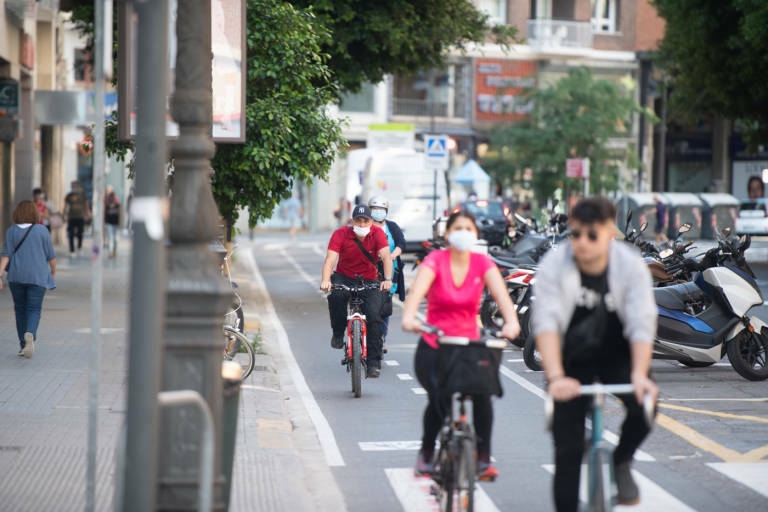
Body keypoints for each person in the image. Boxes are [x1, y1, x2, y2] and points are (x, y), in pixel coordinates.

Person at [532, 196, 659, 511]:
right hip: (571, 358)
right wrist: (556, 377)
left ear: (609, 233)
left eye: (592, 235)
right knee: (568, 448)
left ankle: (622, 460)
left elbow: (643, 322)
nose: (583, 243)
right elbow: (546, 323)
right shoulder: (554, 265)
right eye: (576, 234)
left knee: (646, 406)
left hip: (618, 352)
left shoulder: (629, 265)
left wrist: (640, 375)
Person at [402, 210, 521, 480]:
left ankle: (483, 458)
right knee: (439, 398)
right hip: (436, 344)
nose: (464, 232)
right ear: (447, 234)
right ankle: (427, 454)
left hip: (469, 344)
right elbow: (416, 294)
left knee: (483, 396)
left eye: (469, 228)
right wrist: (409, 317)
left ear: (476, 235)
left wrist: (511, 323)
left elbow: (502, 297)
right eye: (458, 228)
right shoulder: (435, 260)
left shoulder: (482, 263)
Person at [320, 204, 393, 378]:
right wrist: (325, 280)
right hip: (344, 277)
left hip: (369, 279)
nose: (361, 224)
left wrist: (388, 280)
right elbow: (330, 259)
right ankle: (338, 334)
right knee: (336, 296)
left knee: (374, 316)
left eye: (365, 221)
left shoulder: (378, 234)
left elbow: (386, 256)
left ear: (371, 221)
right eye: (358, 221)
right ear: (352, 221)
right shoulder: (340, 234)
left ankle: (373, 364)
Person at [0, 200, 57, 358]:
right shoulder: (42, 230)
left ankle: (22, 345)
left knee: (20, 310)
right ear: (34, 213)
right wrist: (53, 272)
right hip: (37, 277)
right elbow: (51, 255)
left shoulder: (11, 231)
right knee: (33, 309)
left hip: (16, 277)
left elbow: (6, 255)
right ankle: (30, 333)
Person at [368, 196, 406, 347]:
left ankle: (381, 338)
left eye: (381, 210)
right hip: (369, 269)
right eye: (375, 209)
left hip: (390, 270)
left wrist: (392, 255)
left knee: (384, 305)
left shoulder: (392, 226)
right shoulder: (365, 226)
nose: (378, 212)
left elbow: (401, 242)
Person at [64, 181, 91, 258]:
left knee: (80, 233)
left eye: (74, 186)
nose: (73, 188)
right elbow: (65, 206)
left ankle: (79, 246)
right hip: (71, 217)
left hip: (80, 216)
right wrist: (64, 215)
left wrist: (87, 213)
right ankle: (72, 250)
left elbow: (86, 204)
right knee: (71, 233)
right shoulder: (69, 195)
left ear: (78, 186)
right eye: (72, 186)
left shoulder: (82, 195)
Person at [104, 185, 121, 259]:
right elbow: (104, 211)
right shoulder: (105, 200)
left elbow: (120, 212)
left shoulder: (116, 200)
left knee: (116, 238)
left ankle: (114, 251)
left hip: (115, 222)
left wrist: (120, 222)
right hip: (108, 222)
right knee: (110, 237)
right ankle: (110, 252)